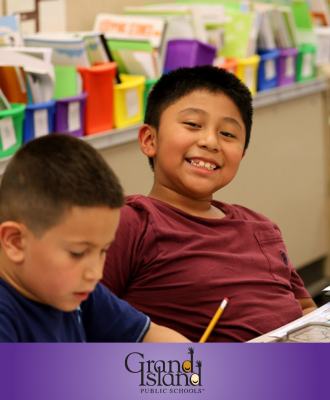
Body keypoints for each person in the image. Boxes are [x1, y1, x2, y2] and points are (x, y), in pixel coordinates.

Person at [101, 65, 317, 343]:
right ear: (149, 139)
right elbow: (81, 319)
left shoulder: (262, 226)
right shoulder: (130, 222)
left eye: (228, 134)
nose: (210, 142)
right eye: (192, 125)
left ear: (242, 154)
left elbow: (306, 309)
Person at [0, 134, 190, 343]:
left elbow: (150, 336)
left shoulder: (74, 288)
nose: (96, 273)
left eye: (103, 250)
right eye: (78, 253)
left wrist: (198, 365)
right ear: (15, 241)